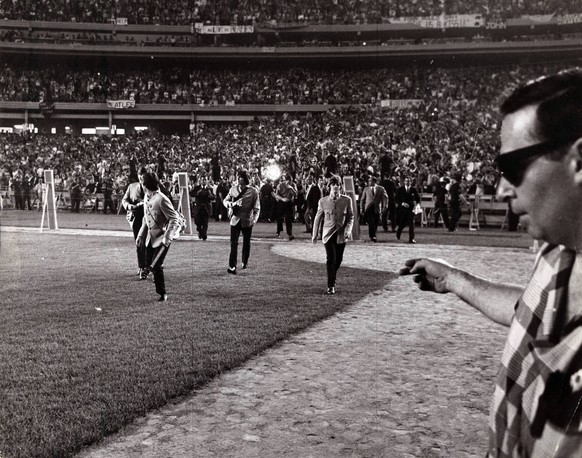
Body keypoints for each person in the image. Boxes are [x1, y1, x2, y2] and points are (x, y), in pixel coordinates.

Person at [399, 68, 582, 457]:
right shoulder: (558, 246)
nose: (500, 188)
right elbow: (531, 310)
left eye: (513, 168)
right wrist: (453, 279)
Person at [136, 172, 182, 302]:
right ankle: (158, 283)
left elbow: (174, 218)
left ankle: (162, 293)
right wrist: (141, 234)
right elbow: (146, 218)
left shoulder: (161, 198)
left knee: (156, 265)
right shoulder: (146, 197)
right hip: (151, 237)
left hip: (162, 238)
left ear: (146, 184)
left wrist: (167, 237)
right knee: (149, 263)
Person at [312, 175, 354, 295]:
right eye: (333, 186)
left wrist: (348, 230)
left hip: (341, 235)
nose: (335, 189)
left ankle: (332, 276)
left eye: (337, 186)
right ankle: (331, 285)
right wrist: (314, 234)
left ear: (340, 187)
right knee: (331, 258)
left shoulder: (347, 200)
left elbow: (351, 217)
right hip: (328, 234)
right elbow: (317, 218)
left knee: (338, 259)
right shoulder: (323, 201)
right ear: (329, 187)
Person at [223, 170, 260, 275]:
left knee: (246, 243)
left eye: (241, 177)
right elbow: (225, 201)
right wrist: (231, 205)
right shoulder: (233, 189)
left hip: (247, 220)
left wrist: (254, 220)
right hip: (235, 219)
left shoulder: (253, 191)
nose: (239, 179)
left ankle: (244, 261)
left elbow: (257, 208)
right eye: (238, 177)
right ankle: (232, 265)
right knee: (233, 243)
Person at [122, 168, 146, 279]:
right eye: (140, 175)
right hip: (137, 216)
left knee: (149, 243)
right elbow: (124, 200)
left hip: (149, 217)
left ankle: (150, 265)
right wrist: (129, 206)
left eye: (143, 175)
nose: (141, 177)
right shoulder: (132, 187)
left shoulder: (152, 186)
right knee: (139, 242)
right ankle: (141, 267)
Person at [360, 176, 388, 242]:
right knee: (371, 222)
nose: (369, 182)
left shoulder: (381, 189)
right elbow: (362, 199)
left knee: (376, 222)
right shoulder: (366, 189)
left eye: (370, 181)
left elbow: (385, 198)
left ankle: (373, 234)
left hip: (376, 208)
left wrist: (385, 206)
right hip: (368, 208)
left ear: (374, 182)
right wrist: (362, 208)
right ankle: (372, 236)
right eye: (368, 181)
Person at [395, 176, 420, 244]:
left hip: (410, 209)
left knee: (411, 224)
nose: (407, 182)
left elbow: (417, 199)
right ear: (404, 182)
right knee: (403, 223)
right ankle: (399, 231)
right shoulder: (400, 189)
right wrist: (403, 204)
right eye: (406, 181)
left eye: (408, 181)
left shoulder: (413, 190)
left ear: (411, 182)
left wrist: (415, 205)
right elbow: (396, 199)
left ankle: (411, 238)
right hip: (402, 209)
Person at [274, 173, 297, 241]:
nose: (290, 182)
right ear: (285, 180)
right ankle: (278, 231)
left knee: (288, 218)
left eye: (291, 181)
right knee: (279, 218)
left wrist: (292, 189)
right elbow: (276, 195)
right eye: (288, 181)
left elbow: (296, 194)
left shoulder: (293, 185)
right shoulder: (280, 185)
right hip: (281, 202)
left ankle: (290, 234)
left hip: (289, 203)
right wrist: (282, 199)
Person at [191, 175, 214, 240]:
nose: (204, 181)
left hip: (206, 208)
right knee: (197, 222)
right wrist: (197, 193)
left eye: (205, 180)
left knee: (205, 223)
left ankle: (204, 235)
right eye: (202, 180)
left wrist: (210, 195)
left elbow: (213, 197)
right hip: (198, 208)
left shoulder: (210, 189)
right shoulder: (197, 188)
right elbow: (191, 194)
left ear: (207, 181)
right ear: (200, 181)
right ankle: (200, 231)